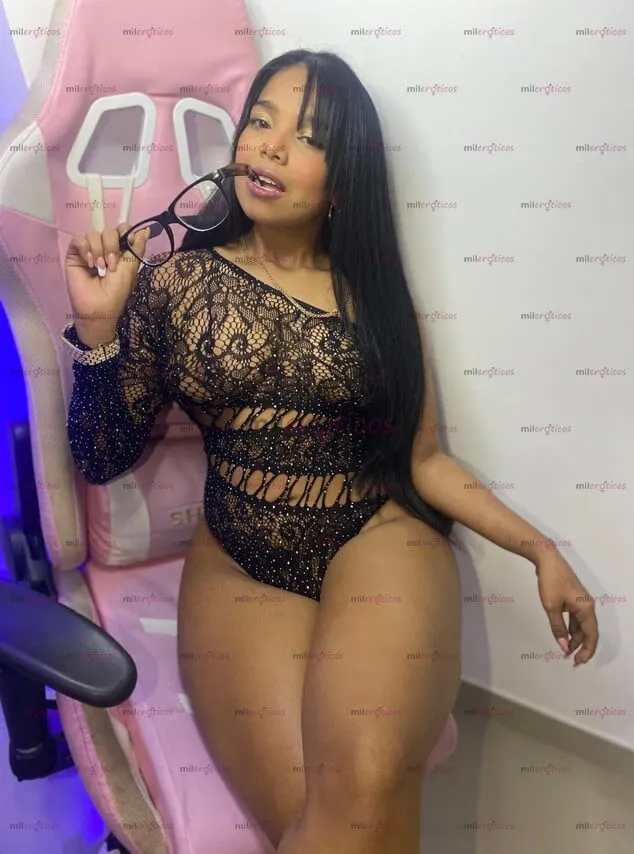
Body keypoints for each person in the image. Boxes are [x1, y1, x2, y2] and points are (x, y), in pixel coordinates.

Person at [63, 49, 599, 854]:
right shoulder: (176, 283)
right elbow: (101, 454)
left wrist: (540, 550)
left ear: (341, 181)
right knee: (327, 829)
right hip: (241, 560)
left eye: (306, 136)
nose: (269, 145)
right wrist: (100, 330)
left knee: (369, 784)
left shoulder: (374, 294)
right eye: (260, 121)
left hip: (378, 537)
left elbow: (424, 461)